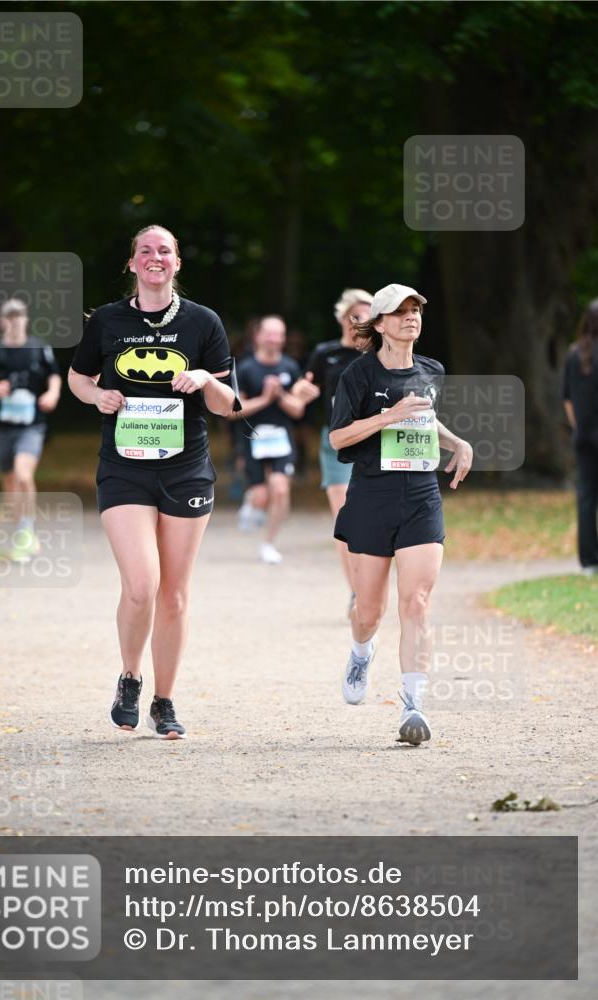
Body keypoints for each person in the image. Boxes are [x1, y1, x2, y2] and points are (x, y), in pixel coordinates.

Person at [68, 224, 236, 739]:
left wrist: (206, 379)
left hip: (185, 466)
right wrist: (97, 397)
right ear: (133, 263)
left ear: (177, 263)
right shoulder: (108, 322)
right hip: (124, 466)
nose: (155, 258)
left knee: (175, 595)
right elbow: (77, 377)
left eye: (165, 251)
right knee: (141, 585)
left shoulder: (203, 323)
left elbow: (230, 405)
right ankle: (130, 677)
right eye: (146, 251)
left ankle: (164, 700)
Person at [329, 283, 473, 745]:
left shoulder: (432, 370)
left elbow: (424, 418)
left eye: (416, 311)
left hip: (421, 496)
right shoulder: (358, 374)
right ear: (380, 323)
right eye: (401, 312)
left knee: (417, 603)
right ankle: (361, 650)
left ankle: (414, 705)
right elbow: (339, 438)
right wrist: (387, 417)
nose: (411, 318)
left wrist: (457, 442)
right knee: (369, 611)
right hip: (372, 496)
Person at [293, 288, 373, 606]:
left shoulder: (381, 354)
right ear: (342, 318)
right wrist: (301, 391)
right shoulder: (326, 354)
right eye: (356, 315)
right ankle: (357, 591)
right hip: (337, 442)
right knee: (344, 518)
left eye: (368, 315)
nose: (361, 321)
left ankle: (370, 582)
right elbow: (303, 390)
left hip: (374, 443)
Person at [0, 298, 61, 561]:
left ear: (26, 319)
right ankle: (19, 534)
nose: (15, 320)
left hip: (31, 426)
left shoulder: (39, 348)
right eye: (10, 316)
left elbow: (54, 374)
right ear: (2, 321)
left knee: (24, 475)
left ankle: (27, 530)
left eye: (19, 315)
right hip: (2, 428)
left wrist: (52, 394)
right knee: (10, 483)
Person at [232, 314, 307, 564]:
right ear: (258, 336)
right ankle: (252, 503)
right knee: (261, 495)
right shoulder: (245, 368)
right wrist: (265, 398)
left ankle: (269, 544)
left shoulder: (290, 367)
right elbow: (235, 410)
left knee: (280, 487)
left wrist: (280, 395)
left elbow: (298, 409)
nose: (275, 339)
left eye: (280, 334)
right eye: (270, 333)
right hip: (252, 438)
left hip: (281, 438)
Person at [563, 297, 598, 574]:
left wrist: (579, 428)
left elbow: (567, 399)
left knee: (586, 498)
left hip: (583, 438)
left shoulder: (574, 354)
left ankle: (588, 561)